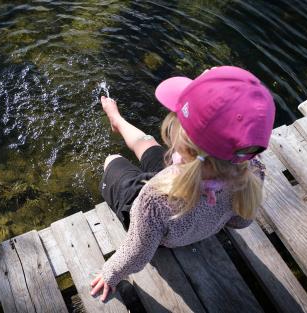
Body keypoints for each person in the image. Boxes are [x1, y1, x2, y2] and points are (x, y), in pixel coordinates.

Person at [90, 66, 276, 302]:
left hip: (158, 225)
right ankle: (117, 119)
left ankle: (116, 129)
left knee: (112, 161)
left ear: (184, 143)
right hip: (190, 180)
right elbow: (240, 220)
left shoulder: (153, 201)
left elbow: (137, 252)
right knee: (150, 146)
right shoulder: (251, 172)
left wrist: (110, 274)